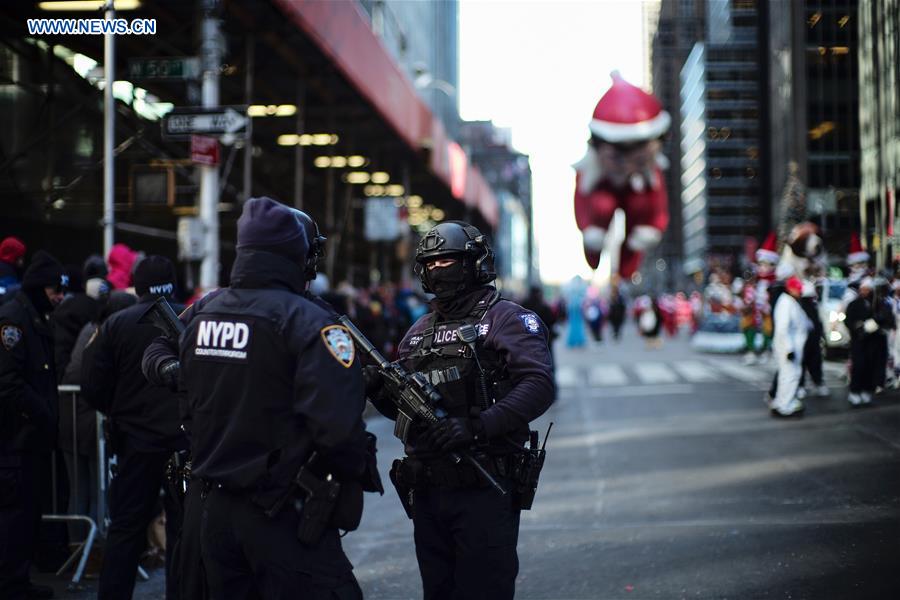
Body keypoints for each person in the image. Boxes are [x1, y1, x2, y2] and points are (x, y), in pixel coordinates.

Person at [157, 197, 373, 599]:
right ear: (298, 254)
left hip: (214, 512)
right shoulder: (312, 323)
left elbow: (187, 402)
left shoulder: (203, 317)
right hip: (282, 510)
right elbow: (338, 431)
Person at [367, 221, 555, 600]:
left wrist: (479, 426)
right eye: (431, 264)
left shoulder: (506, 319)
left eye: (448, 260)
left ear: (474, 263)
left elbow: (538, 385)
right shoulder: (418, 331)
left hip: (483, 483)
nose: (439, 270)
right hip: (427, 490)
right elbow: (407, 411)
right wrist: (378, 392)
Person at [81, 256, 187, 600]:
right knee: (183, 531)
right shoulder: (192, 319)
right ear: (172, 282)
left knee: (126, 527)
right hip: (183, 442)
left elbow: (92, 384)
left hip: (135, 441)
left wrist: (118, 412)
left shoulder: (116, 324)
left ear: (137, 285)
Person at [0, 250, 68, 600]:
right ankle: (11, 585)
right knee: (15, 517)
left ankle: (18, 581)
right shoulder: (14, 319)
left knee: (26, 515)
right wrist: (42, 413)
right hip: (16, 439)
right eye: (56, 290)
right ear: (41, 287)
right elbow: (9, 382)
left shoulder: (34, 317)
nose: (60, 297)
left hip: (29, 439)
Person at [846, 277, 894, 406]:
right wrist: (859, 327)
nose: (865, 291)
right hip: (859, 342)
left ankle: (866, 391)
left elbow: (887, 319)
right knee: (859, 367)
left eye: (868, 289)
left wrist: (877, 324)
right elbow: (849, 321)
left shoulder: (879, 304)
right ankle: (855, 392)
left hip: (874, 343)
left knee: (871, 367)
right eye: (863, 289)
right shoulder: (854, 304)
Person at [770, 276, 809, 417]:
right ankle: (785, 406)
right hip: (789, 347)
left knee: (786, 375)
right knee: (790, 375)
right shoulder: (786, 303)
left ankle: (781, 402)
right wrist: (789, 348)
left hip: (793, 346)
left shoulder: (790, 302)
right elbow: (783, 328)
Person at [797, 281, 828, 398]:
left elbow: (818, 323)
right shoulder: (799, 306)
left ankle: (818, 383)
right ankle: (800, 386)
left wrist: (820, 335)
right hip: (803, 341)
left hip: (813, 340)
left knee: (815, 363)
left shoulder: (813, 307)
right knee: (803, 363)